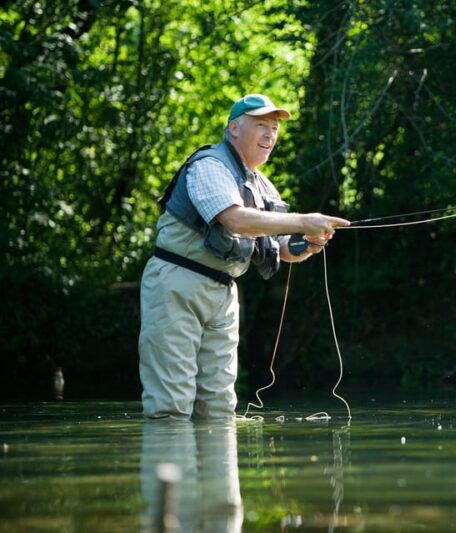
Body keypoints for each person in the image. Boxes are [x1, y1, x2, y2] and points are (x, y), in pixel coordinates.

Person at [138, 93, 349, 420]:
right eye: (261, 125)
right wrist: (304, 220)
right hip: (177, 284)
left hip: (223, 293)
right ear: (234, 128)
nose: (270, 135)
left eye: (275, 128)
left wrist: (305, 246)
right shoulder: (209, 165)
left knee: (220, 407)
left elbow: (279, 249)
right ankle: (169, 467)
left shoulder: (263, 186)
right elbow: (235, 219)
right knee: (171, 405)